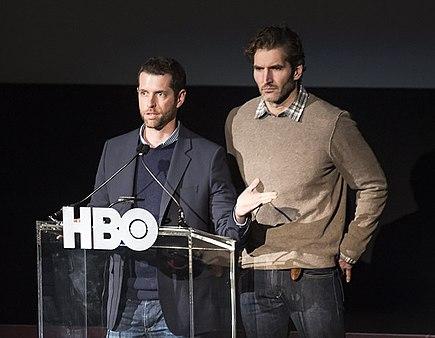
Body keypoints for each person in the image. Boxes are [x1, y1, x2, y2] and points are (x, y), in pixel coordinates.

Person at [89, 57, 274, 337]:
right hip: (124, 307)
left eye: (160, 94)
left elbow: (227, 234)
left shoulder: (206, 155)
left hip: (179, 309)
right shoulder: (115, 150)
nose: (149, 104)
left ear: (179, 98)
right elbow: (97, 218)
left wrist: (238, 214)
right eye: (143, 93)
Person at [225, 26, 388, 337]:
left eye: (276, 68)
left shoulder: (330, 122)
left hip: (311, 271)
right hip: (254, 268)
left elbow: (373, 185)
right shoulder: (238, 119)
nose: (266, 79)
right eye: (258, 69)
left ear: (296, 70)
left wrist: (351, 248)